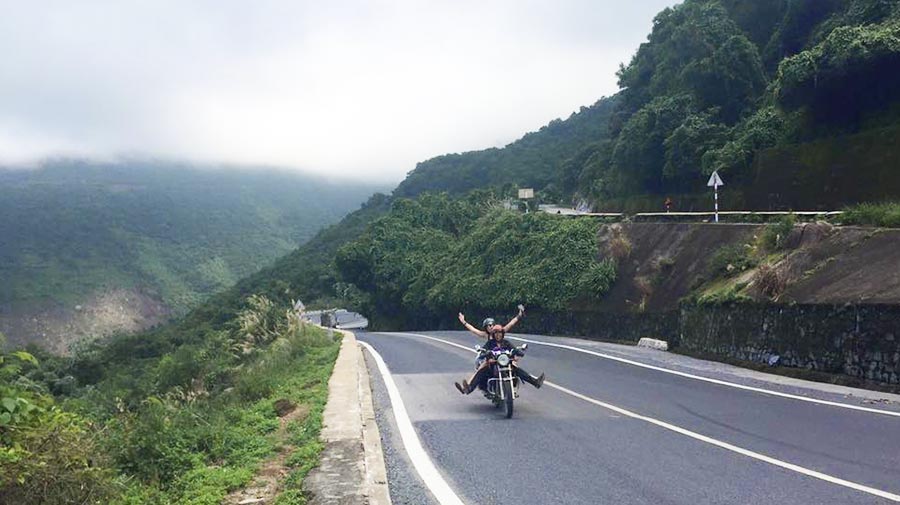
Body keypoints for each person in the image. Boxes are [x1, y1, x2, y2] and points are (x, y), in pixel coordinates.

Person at [455, 307, 545, 394]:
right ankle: (468, 388)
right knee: (481, 369)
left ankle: (534, 382)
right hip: (492, 357)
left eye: (492, 326)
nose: (497, 334)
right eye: (488, 326)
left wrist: (519, 315)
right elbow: (474, 330)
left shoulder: (505, 340)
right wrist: (464, 322)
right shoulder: (488, 339)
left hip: (503, 357)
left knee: (515, 366)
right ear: (486, 328)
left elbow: (511, 325)